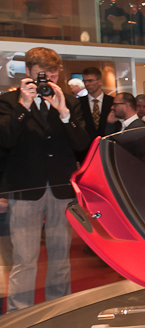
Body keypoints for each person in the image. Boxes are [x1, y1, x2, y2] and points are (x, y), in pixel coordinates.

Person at [0, 47, 91, 312]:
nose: (48, 82)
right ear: (28, 72)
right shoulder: (8, 101)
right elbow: (5, 140)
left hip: (61, 189)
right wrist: (24, 106)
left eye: (53, 76)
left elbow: (82, 144)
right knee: (24, 259)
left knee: (60, 257)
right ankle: (19, 314)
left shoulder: (69, 102)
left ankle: (59, 310)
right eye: (42, 75)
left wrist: (64, 113)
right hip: (25, 189)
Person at [109, 92, 145, 162]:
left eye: (115, 104)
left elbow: (114, 147)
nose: (112, 107)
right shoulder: (126, 125)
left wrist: (109, 124)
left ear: (126, 106)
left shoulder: (137, 127)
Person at [81, 66, 114, 139]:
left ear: (100, 81)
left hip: (107, 142)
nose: (87, 84)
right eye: (84, 81)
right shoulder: (79, 103)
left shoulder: (112, 102)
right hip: (86, 143)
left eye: (90, 81)